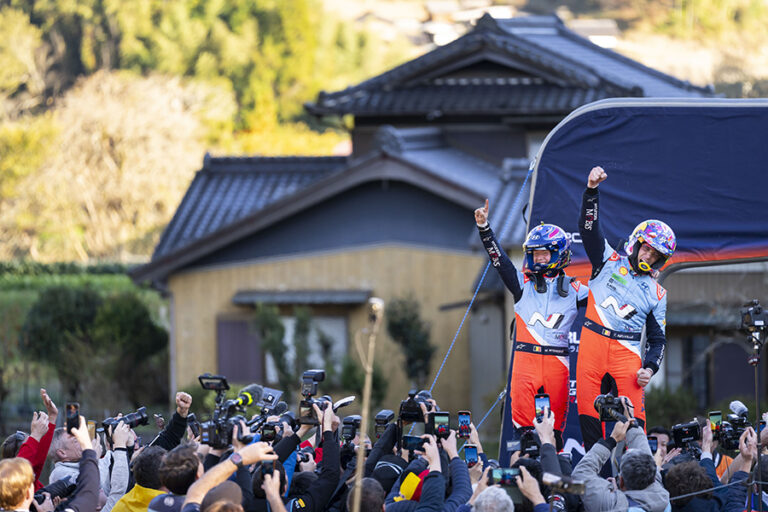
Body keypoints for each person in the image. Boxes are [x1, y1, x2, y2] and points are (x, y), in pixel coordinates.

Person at [475, 199, 588, 459]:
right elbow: (499, 261)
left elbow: (605, 299)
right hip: (525, 362)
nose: (538, 258)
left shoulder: (574, 289)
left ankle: (553, 489)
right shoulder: (522, 284)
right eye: (534, 254)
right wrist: (484, 229)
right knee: (524, 434)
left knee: (554, 434)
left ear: (559, 254)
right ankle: (522, 483)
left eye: (544, 253)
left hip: (557, 364)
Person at [576, 166, 676, 449]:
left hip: (627, 357)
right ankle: (597, 488)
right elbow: (589, 230)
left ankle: (636, 489)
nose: (649, 256)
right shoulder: (607, 261)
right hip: (592, 350)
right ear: (637, 242)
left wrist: (650, 368)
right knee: (590, 426)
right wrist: (591, 192)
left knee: (636, 432)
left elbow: (657, 341)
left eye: (656, 255)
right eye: (647, 248)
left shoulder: (657, 291)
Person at [572, 397, 670, 512]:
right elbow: (645, 453)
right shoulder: (662, 498)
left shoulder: (611, 504)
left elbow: (580, 473)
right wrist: (630, 421)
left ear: (621, 481)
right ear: (653, 478)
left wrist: (612, 440)